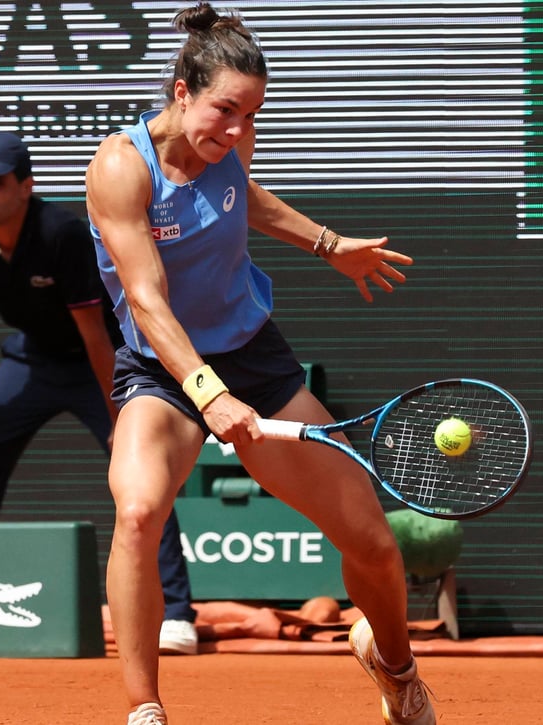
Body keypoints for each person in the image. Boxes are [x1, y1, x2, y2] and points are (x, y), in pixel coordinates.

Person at [84, 4, 435, 724]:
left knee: (370, 539)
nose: (238, 131)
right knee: (140, 509)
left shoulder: (226, 144)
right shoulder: (120, 168)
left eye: (251, 115)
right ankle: (144, 707)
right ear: (182, 89)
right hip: (162, 371)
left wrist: (328, 244)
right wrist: (207, 393)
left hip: (255, 360)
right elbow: (147, 302)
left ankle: (395, 667)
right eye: (225, 111)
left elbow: (244, 199)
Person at [0, 130, 199, 656]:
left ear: (26, 186)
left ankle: (174, 615)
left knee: (139, 476)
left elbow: (95, 335)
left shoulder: (62, 233)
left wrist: (119, 416)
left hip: (104, 360)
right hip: (31, 359)